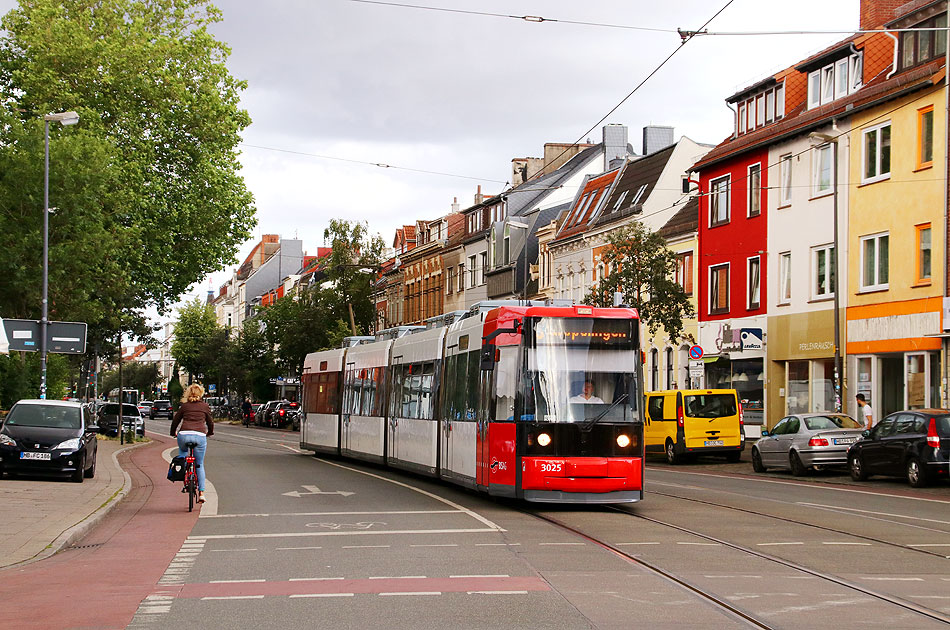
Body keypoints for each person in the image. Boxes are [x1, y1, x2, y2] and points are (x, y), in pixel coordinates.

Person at [170, 384, 214, 504]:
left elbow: (176, 420)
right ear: (201, 394)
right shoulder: (205, 406)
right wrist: (210, 432)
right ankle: (201, 493)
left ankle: (184, 468)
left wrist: (173, 432)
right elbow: (210, 422)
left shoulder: (184, 406)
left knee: (183, 453)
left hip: (184, 435)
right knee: (199, 464)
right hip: (200, 436)